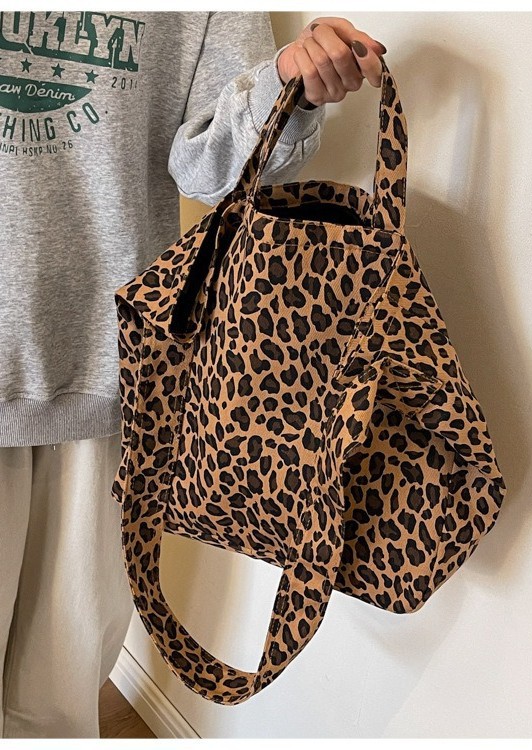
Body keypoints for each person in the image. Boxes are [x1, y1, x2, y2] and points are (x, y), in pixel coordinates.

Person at [0, 11, 385, 738]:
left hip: (107, 375)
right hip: (103, 365)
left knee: (55, 702)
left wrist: (286, 87)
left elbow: (212, 170)